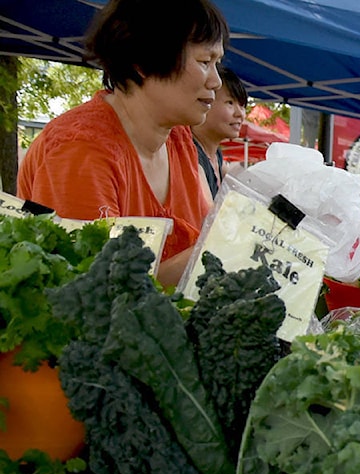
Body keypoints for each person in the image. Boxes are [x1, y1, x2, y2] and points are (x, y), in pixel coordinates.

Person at [17, 0, 228, 287]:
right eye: (205, 62)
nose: (216, 81)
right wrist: (227, 247)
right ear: (143, 62)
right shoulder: (80, 149)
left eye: (218, 64)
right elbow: (92, 293)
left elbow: (203, 236)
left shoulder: (178, 138)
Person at [192, 66, 248, 200]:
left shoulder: (216, 155)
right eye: (230, 103)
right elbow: (210, 217)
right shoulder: (190, 156)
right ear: (205, 101)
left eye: (242, 106)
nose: (240, 113)